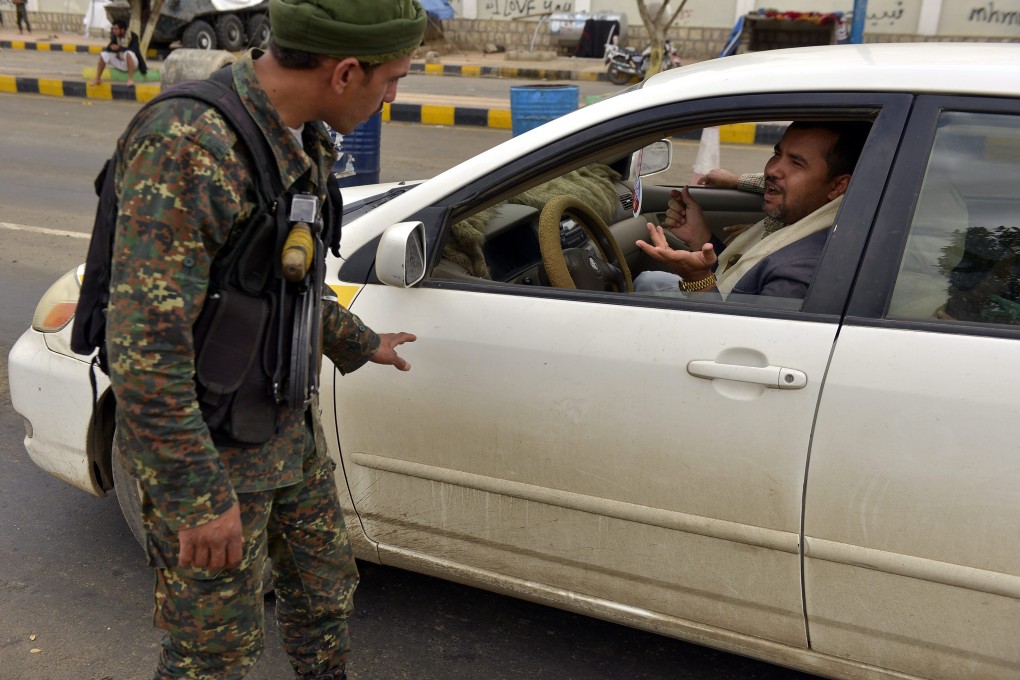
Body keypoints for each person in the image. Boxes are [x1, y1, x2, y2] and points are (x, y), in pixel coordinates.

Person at [103, 0, 426, 678]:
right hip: (210, 453)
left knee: (324, 596)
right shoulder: (191, 145)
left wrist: (360, 342)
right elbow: (145, 353)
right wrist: (199, 500)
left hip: (281, 429)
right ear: (343, 73)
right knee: (212, 654)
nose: (393, 97)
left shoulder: (299, 131)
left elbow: (279, 280)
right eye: (391, 79)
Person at [635, 121, 870, 299]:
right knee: (649, 281)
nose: (772, 169)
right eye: (777, 154)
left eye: (796, 163)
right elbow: (742, 277)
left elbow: (740, 344)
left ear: (839, 185)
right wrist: (701, 238)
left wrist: (697, 279)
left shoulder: (801, 267)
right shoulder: (801, 223)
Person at [92, 19, 147, 86]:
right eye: (113, 29)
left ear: (122, 30)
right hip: (120, 61)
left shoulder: (133, 36)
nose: (114, 31)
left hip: (132, 63)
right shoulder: (115, 37)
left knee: (128, 53)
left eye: (116, 29)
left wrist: (119, 48)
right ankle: (98, 78)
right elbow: (108, 48)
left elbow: (135, 50)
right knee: (104, 54)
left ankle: (130, 79)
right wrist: (111, 48)